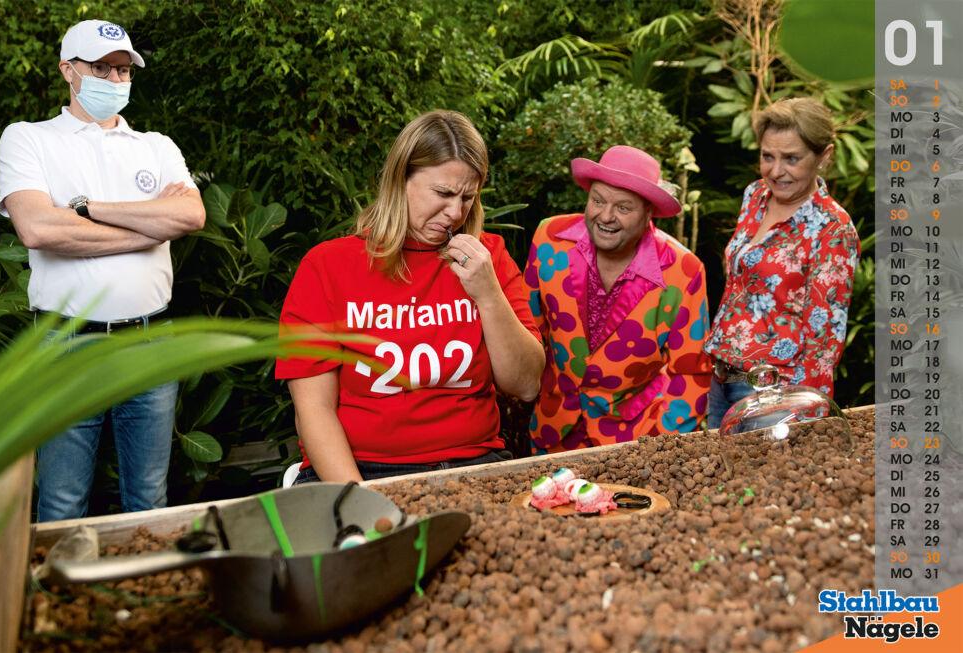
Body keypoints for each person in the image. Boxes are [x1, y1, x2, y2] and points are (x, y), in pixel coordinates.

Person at [0, 20, 206, 520]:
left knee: (149, 499)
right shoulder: (29, 139)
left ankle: (137, 594)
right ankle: (57, 598)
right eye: (101, 68)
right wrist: (149, 228)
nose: (115, 80)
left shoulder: (156, 145)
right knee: (62, 500)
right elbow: (39, 231)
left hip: (150, 343)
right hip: (66, 344)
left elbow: (191, 216)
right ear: (68, 71)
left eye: (123, 70)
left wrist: (86, 208)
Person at [276, 110, 544, 483]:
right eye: (443, 193)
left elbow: (526, 384)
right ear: (400, 179)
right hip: (362, 471)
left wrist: (488, 294)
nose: (455, 212)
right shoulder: (327, 266)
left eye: (468, 196)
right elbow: (313, 411)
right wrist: (360, 502)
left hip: (474, 463)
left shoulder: (487, 259)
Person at [524, 145, 713, 452]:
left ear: (649, 211)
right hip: (553, 429)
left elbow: (692, 373)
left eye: (624, 208)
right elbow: (529, 328)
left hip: (637, 439)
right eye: (597, 200)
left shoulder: (684, 271)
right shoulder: (549, 238)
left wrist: (659, 447)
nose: (606, 216)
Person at [704, 97, 860, 428]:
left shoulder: (832, 228)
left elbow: (824, 340)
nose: (776, 171)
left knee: (762, 481)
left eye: (791, 158)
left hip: (776, 395)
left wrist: (804, 419)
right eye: (767, 156)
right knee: (718, 478)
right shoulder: (755, 196)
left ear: (824, 156)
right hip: (721, 380)